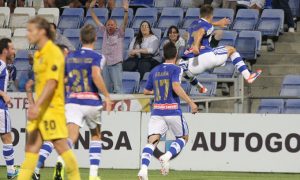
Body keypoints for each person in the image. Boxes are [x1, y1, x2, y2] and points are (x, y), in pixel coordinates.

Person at [32, 25, 112, 180]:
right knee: (96, 136)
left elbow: (61, 79)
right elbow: (95, 75)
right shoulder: (98, 57)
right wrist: (107, 95)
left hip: (72, 101)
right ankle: (93, 175)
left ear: (80, 39)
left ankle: (60, 160)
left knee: (71, 137)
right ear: (96, 38)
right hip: (90, 100)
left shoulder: (69, 56)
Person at [17, 16, 80, 180]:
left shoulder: (53, 52)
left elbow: (52, 83)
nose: (27, 34)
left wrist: (35, 105)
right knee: (30, 152)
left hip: (52, 110)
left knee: (61, 148)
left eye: (31, 30)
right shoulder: (38, 55)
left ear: (42, 32)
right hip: (41, 109)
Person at [138, 42, 198, 180]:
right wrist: (191, 102)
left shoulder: (154, 70)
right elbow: (176, 86)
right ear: (176, 54)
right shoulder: (176, 69)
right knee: (184, 137)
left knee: (152, 141)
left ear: (163, 55)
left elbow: (146, 91)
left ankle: (143, 169)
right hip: (172, 110)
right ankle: (166, 156)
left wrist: (159, 90)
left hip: (157, 111)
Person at [179, 5, 262, 93]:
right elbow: (200, 32)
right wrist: (196, 45)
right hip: (205, 57)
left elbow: (203, 25)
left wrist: (217, 23)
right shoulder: (207, 26)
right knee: (231, 50)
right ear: (211, 16)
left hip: (190, 63)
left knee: (186, 71)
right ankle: (248, 76)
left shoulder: (192, 24)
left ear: (200, 16)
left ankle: (200, 88)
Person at [90, 0, 129, 93]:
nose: (110, 26)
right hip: (106, 64)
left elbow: (125, 22)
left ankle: (118, 107)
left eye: (112, 25)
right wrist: (91, 8)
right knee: (106, 89)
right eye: (108, 25)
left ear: (116, 26)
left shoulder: (119, 32)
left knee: (117, 88)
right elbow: (95, 20)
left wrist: (126, 11)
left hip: (116, 64)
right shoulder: (104, 31)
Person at [0, 38, 19, 179]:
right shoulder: (1, 65)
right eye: (12, 48)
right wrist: (3, 95)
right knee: (7, 138)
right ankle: (11, 171)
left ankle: (11, 171)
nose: (14, 51)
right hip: (0, 108)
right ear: (5, 50)